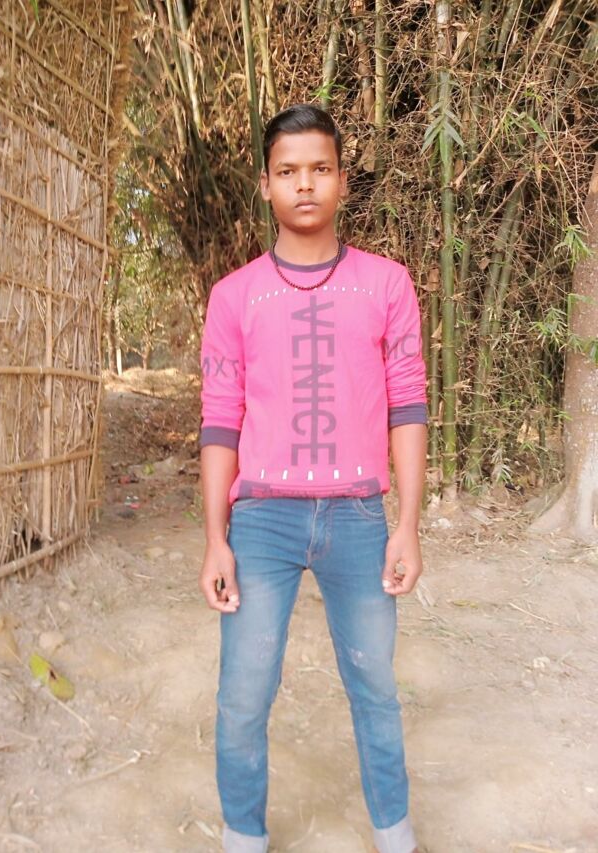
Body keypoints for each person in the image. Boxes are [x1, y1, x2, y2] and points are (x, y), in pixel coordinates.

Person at [198, 103, 426, 853]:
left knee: (376, 688)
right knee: (242, 694)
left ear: (342, 180)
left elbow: (407, 404)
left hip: (358, 518)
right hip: (261, 521)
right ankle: (243, 836)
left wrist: (407, 526)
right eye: (288, 171)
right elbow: (220, 420)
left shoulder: (387, 285)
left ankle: (395, 835)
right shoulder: (233, 296)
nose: (305, 184)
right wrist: (216, 539)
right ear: (265, 185)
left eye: (320, 169)